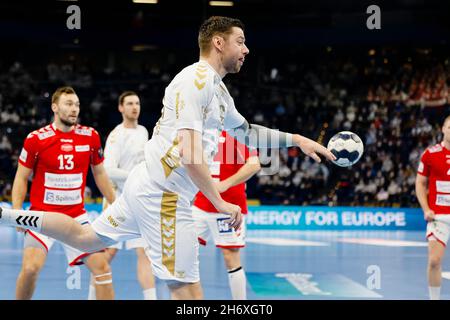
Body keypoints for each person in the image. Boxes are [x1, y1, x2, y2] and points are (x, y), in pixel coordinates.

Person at [0, 16, 335, 300]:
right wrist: (218, 201)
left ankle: (6, 215)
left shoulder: (217, 91)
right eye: (240, 42)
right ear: (218, 43)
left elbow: (245, 132)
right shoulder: (196, 81)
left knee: (86, 238)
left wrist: (297, 140)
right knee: (187, 288)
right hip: (165, 195)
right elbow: (190, 152)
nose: (246, 49)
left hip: (147, 184)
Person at [11, 86, 115, 300]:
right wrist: (16, 211)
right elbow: (21, 177)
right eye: (69, 104)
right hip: (41, 216)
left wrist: (115, 203)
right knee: (30, 268)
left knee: (102, 267)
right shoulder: (36, 139)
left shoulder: (90, 136)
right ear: (55, 107)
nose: (74, 109)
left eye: (77, 104)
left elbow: (100, 173)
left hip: (75, 217)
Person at [88, 91, 156, 300]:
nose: (134, 107)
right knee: (106, 255)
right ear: (120, 108)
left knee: (144, 254)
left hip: (140, 201)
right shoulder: (116, 136)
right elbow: (108, 170)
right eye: (129, 104)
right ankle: (92, 297)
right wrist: (136, 176)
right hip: (116, 199)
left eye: (137, 103)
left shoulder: (144, 131)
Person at [193, 131, 260, 299]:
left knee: (230, 257)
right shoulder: (202, 131)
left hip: (229, 207)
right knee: (184, 251)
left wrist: (225, 184)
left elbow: (254, 164)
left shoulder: (239, 133)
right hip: (200, 204)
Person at [416, 115, 450, 300]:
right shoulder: (430, 154)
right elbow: (420, 183)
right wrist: (426, 209)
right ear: (443, 129)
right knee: (435, 261)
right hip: (439, 217)